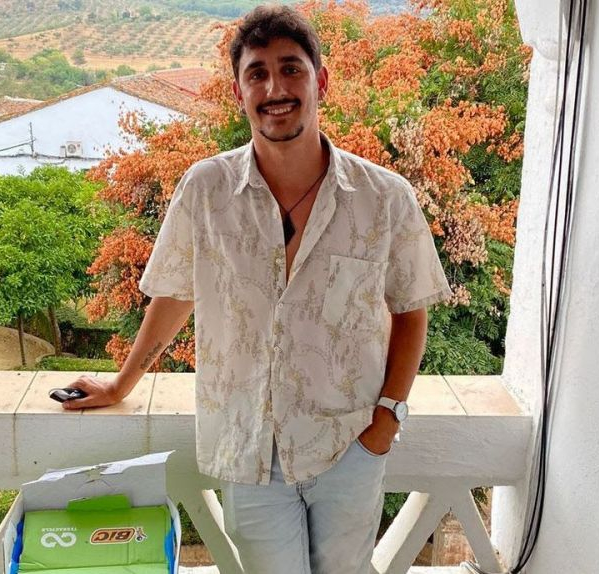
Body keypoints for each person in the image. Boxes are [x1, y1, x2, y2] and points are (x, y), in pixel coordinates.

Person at [64, 5, 451, 573]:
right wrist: (122, 382)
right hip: (247, 448)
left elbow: (410, 309)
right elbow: (175, 295)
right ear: (239, 91)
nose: (275, 88)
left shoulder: (385, 198)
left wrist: (385, 421)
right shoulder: (206, 190)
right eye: (257, 73)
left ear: (321, 80)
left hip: (348, 442)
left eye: (291, 69)